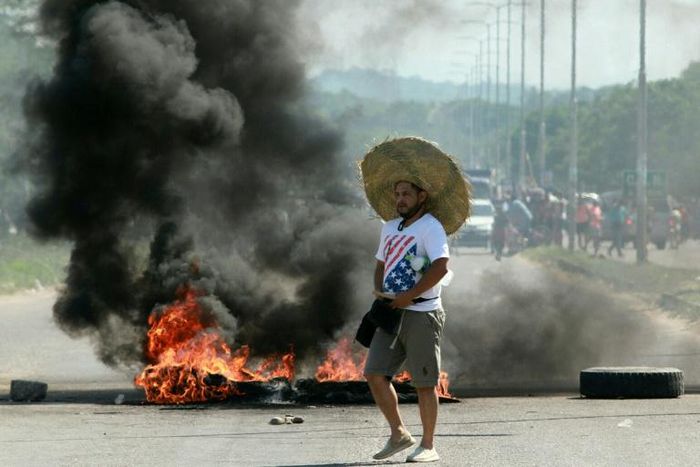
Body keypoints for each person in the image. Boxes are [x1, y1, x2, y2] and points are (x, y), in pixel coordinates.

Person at [359, 137, 470, 463]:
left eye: (406, 193)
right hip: (391, 313)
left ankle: (428, 445)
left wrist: (409, 295)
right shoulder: (390, 227)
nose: (400, 199)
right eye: (397, 194)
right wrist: (379, 290)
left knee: (424, 382)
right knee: (374, 374)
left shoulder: (430, 228)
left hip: (422, 314)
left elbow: (440, 267)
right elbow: (380, 263)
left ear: (422, 196)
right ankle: (398, 434)